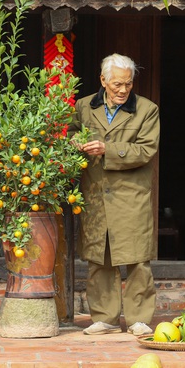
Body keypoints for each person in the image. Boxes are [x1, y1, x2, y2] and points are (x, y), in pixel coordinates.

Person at [71, 53, 160, 336]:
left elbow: (146, 149)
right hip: (96, 193)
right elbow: (70, 132)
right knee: (99, 257)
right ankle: (105, 318)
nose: (123, 90)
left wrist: (108, 149)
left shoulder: (147, 109)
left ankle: (138, 318)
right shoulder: (84, 106)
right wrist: (74, 141)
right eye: (117, 84)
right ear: (103, 81)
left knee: (137, 259)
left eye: (128, 84)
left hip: (131, 195)